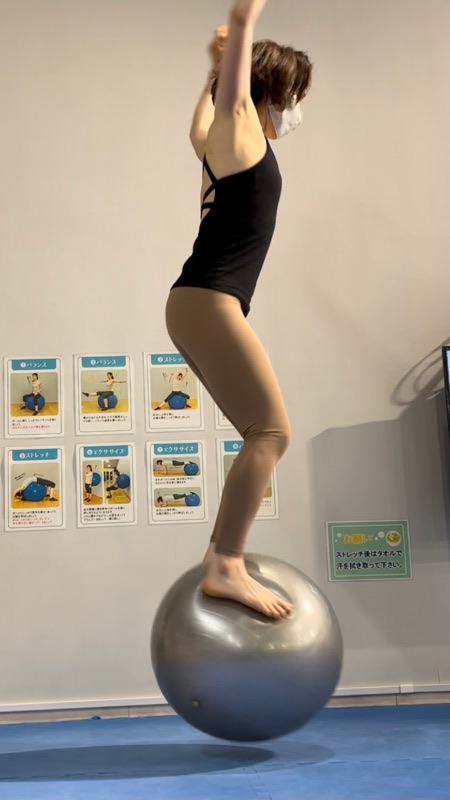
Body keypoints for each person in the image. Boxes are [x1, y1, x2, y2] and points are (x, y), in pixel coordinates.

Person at [165, 0, 312, 618]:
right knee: (272, 432)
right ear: (270, 91)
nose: (297, 110)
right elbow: (230, 104)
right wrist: (245, 23)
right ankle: (225, 563)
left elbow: (197, 128)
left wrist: (212, 70)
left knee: (264, 431)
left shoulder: (220, 147)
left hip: (195, 303)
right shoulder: (243, 133)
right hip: (209, 301)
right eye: (295, 96)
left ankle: (222, 556)